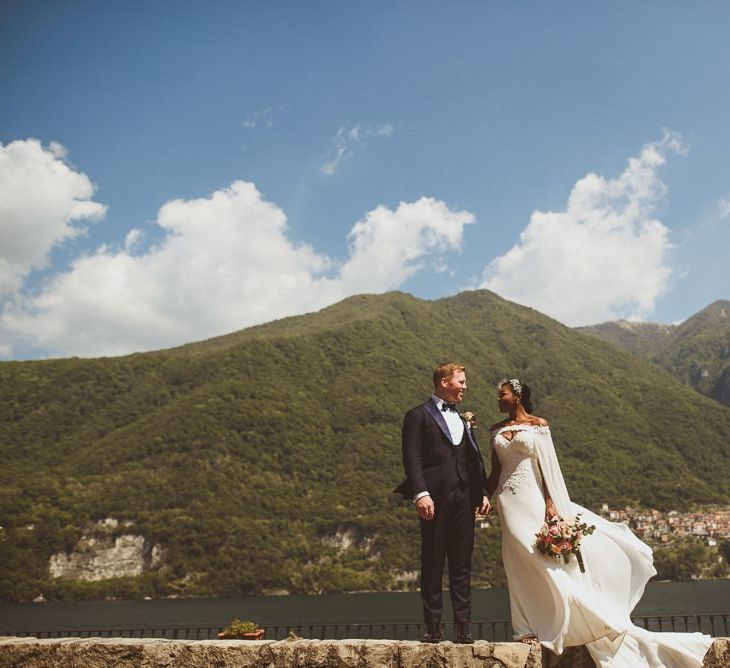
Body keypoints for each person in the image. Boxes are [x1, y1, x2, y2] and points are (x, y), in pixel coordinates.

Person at [488, 378, 713, 667]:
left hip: (533, 498)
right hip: (507, 501)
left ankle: (566, 616)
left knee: (539, 559)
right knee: (515, 562)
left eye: (503, 395)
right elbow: (494, 471)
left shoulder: (538, 425)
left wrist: (550, 503)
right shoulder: (496, 430)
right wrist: (482, 496)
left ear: (516, 396)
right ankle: (524, 628)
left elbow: (549, 469)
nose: (498, 399)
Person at [395, 363, 493, 644]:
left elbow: (473, 459)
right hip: (434, 499)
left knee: (462, 565)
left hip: (464, 499)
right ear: (444, 382)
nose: (465, 386)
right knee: (433, 561)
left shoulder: (463, 419)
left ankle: (464, 628)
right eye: (460, 382)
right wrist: (420, 493)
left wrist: (482, 493)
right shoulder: (417, 415)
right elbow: (411, 457)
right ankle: (433, 627)